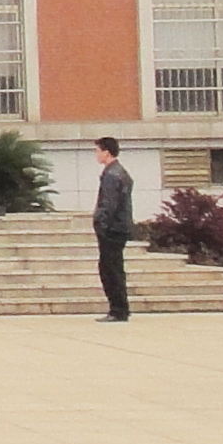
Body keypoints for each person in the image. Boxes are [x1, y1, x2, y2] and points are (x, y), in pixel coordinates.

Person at [91, 136, 134, 322]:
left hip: (112, 229)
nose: (96, 154)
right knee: (115, 268)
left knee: (110, 269)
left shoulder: (111, 175)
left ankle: (118, 309)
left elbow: (108, 204)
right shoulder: (120, 172)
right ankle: (120, 308)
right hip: (119, 227)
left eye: (98, 150)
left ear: (106, 152)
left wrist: (100, 223)